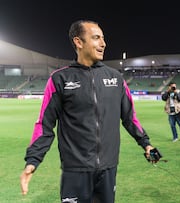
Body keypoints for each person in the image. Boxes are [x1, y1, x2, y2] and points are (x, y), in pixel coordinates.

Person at [19, 20, 160, 203]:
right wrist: (33, 160)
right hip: (75, 171)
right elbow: (44, 124)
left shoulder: (116, 79)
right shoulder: (59, 79)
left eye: (103, 38)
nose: (103, 43)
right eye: (96, 38)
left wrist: (146, 144)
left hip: (108, 169)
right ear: (78, 42)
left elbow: (129, 118)